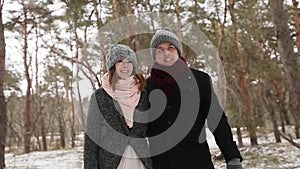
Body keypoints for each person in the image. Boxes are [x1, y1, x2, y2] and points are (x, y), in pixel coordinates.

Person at [146, 27, 243, 169]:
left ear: (178, 52)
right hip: (161, 163)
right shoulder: (146, 86)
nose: (166, 53)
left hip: (196, 161)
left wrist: (232, 156)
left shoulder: (200, 80)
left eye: (170, 48)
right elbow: (139, 126)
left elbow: (216, 120)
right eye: (160, 50)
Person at [84, 44, 153, 169]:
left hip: (140, 162)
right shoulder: (100, 96)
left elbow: (150, 129)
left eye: (129, 61)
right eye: (120, 61)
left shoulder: (142, 94)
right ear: (113, 66)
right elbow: (91, 139)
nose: (125, 66)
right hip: (110, 162)